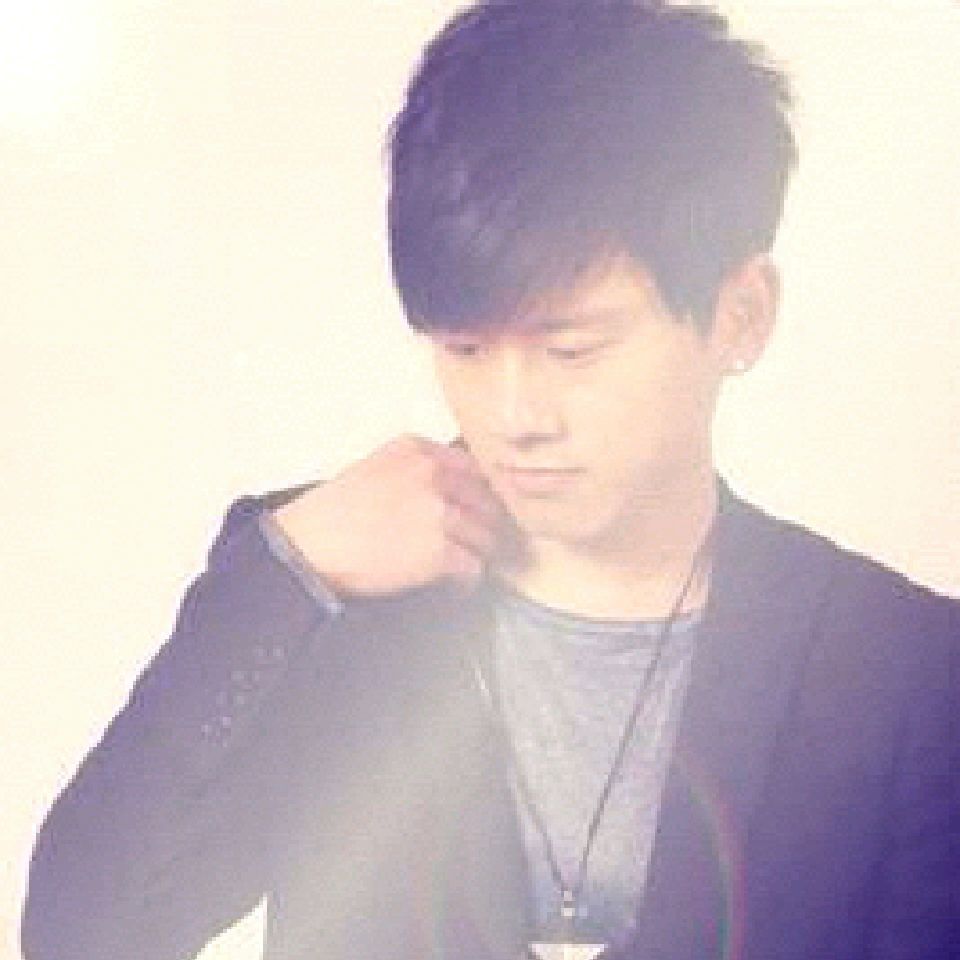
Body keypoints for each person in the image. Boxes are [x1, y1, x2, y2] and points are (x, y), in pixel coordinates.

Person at [21, 2, 958, 959]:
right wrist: (287, 572)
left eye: (572, 348)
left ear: (741, 315)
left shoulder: (903, 667)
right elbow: (82, 935)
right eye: (464, 348)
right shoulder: (324, 595)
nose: (513, 416)